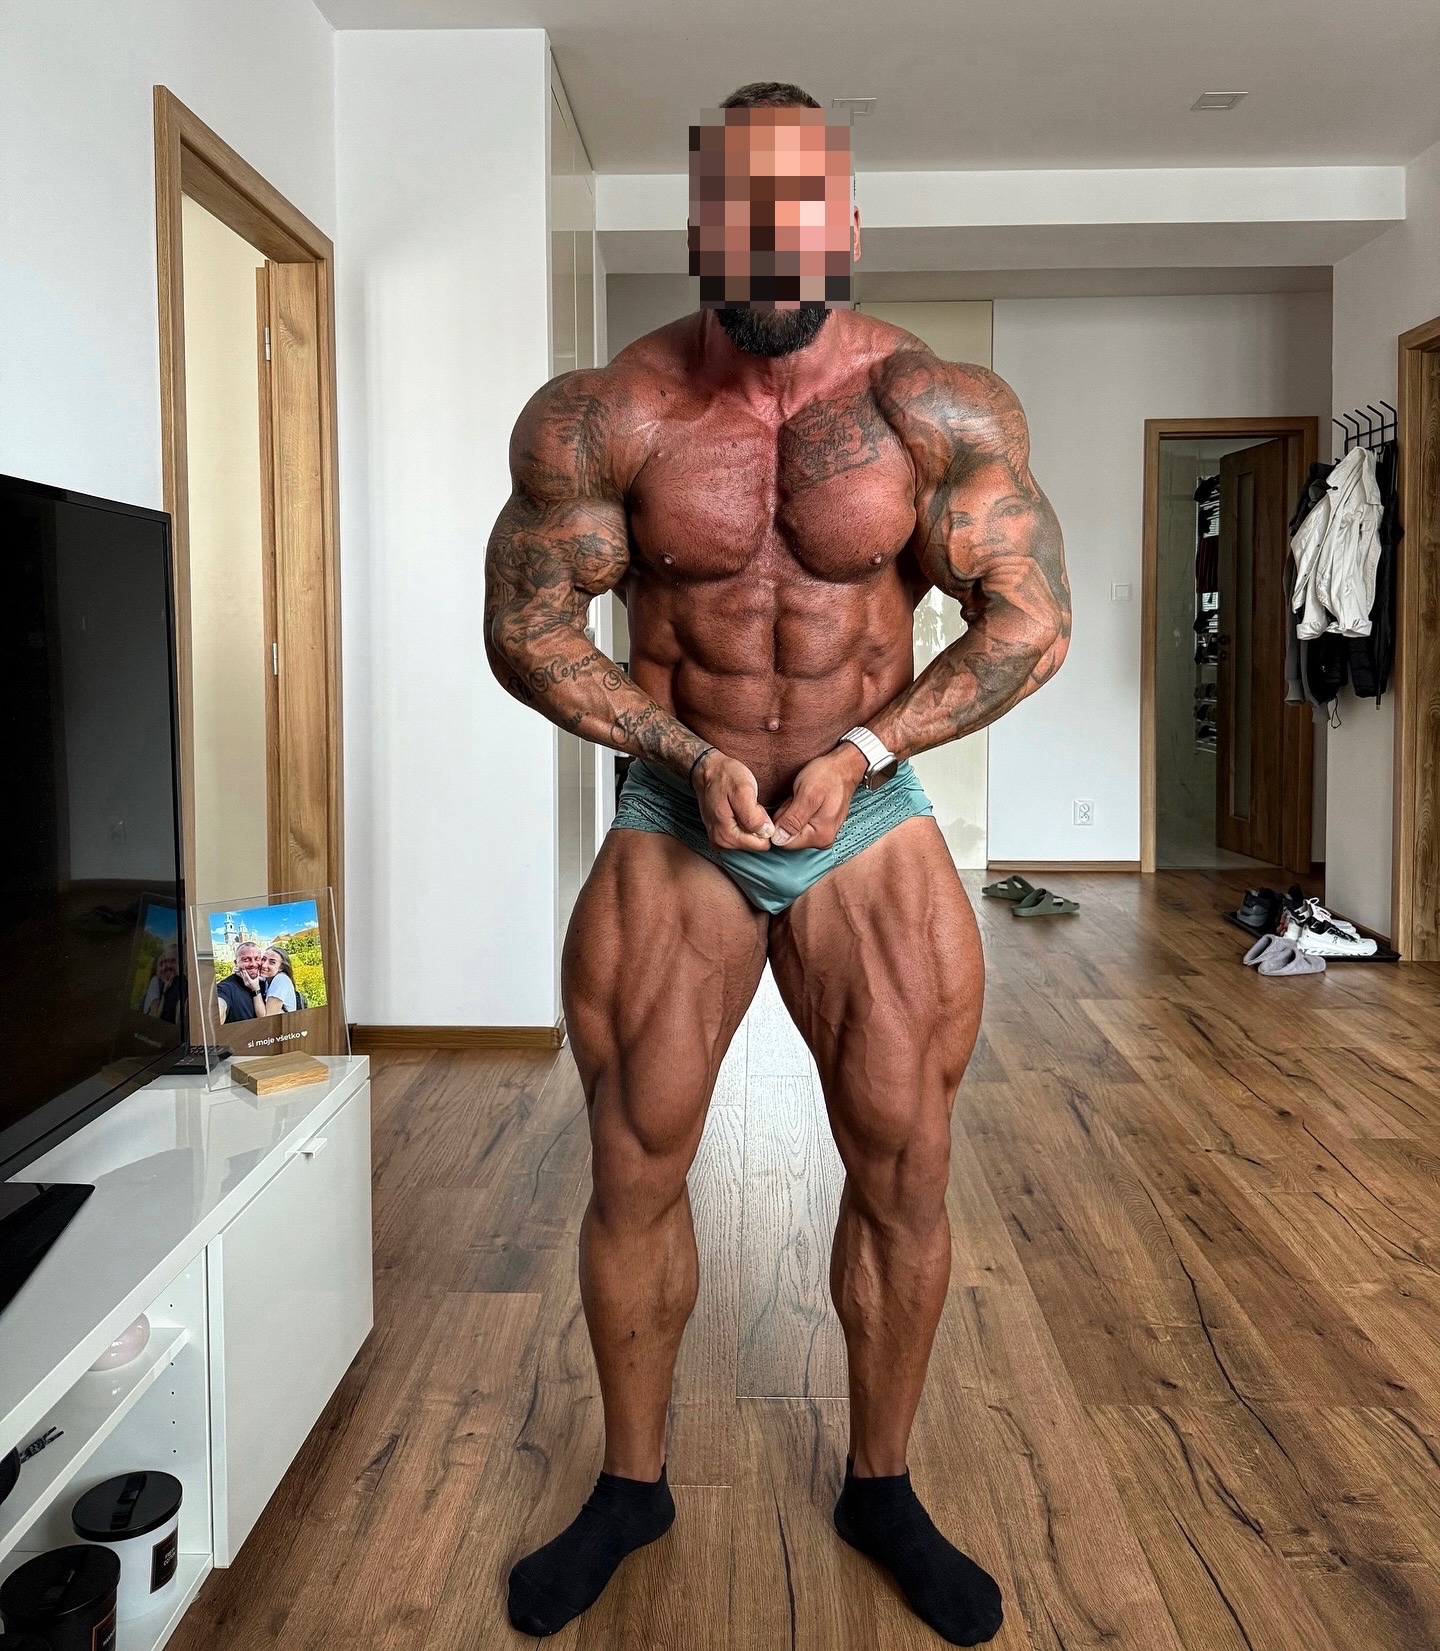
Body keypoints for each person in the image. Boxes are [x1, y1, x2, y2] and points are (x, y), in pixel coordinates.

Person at [485, 81, 1069, 1647]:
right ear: (699, 223)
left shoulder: (934, 408)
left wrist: (865, 750)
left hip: (863, 816)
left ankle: (883, 1483)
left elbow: (1030, 618)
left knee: (905, 1159)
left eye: (801, 206)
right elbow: (527, 623)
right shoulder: (604, 414)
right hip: (679, 810)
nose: (772, 238)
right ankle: (630, 1485)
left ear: (848, 222)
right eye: (741, 207)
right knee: (634, 1160)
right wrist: (683, 753)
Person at [215, 940, 267, 1023]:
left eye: (257, 958)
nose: (253, 964)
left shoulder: (265, 983)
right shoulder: (226, 987)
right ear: (236, 963)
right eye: (246, 959)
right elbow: (220, 1004)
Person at [140, 947, 183, 1022]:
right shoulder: (155, 982)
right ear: (155, 968)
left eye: (165, 962)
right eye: (161, 964)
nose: (164, 967)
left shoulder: (161, 984)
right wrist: (164, 992)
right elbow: (154, 1017)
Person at [259, 946, 300, 1014]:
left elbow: (268, 1016)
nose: (264, 965)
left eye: (272, 962)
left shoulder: (281, 979)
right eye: (263, 959)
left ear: (281, 967)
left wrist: (255, 989)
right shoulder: (268, 980)